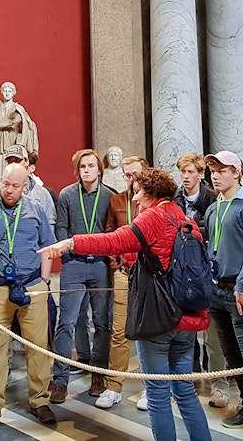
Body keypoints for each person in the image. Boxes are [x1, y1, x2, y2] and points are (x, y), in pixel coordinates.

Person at [39, 167, 212, 441]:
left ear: (150, 193)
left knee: (156, 394)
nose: (133, 198)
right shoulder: (180, 215)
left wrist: (71, 243)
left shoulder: (153, 216)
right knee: (185, 391)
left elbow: (115, 241)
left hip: (158, 316)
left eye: (138, 190)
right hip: (186, 314)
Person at [0, 162, 56, 428]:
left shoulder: (36, 209)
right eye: (6, 184)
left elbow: (48, 247)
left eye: (15, 186)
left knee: (38, 346)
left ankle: (40, 400)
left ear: (25, 187)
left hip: (31, 286)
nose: (9, 190)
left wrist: (45, 282)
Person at [49, 149, 113, 403]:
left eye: (91, 166)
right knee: (66, 322)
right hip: (74, 264)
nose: (87, 170)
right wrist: (69, 252)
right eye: (83, 166)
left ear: (99, 169)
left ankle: (98, 374)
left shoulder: (110, 196)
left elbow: (112, 231)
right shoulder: (66, 195)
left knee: (102, 323)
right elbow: (61, 228)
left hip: (99, 265)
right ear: (77, 170)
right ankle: (60, 380)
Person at [95, 155, 149, 410]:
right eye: (127, 175)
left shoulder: (154, 202)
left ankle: (153, 388)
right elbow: (109, 235)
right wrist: (116, 266)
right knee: (119, 332)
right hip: (124, 274)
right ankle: (113, 386)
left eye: (135, 175)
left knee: (150, 332)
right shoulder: (117, 201)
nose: (131, 180)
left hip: (150, 277)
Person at [174, 153, 222, 397]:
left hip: (206, 264)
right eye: (182, 172)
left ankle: (218, 379)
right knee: (188, 321)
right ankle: (191, 371)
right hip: (184, 266)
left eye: (190, 172)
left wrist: (192, 229)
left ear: (200, 174)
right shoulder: (176, 198)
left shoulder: (211, 199)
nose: (185, 176)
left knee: (212, 328)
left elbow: (212, 231)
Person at [204, 150, 243, 427]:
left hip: (238, 290)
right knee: (232, 355)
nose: (215, 175)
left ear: (237, 173)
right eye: (213, 171)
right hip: (216, 291)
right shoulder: (213, 208)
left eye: (221, 170)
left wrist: (242, 285)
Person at [0, 82, 39, 186]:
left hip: (12, 144)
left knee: (13, 174)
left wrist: (21, 116)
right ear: (1, 92)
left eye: (10, 91)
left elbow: (30, 124)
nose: (7, 93)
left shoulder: (18, 108)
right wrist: (11, 122)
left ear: (14, 93)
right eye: (5, 90)